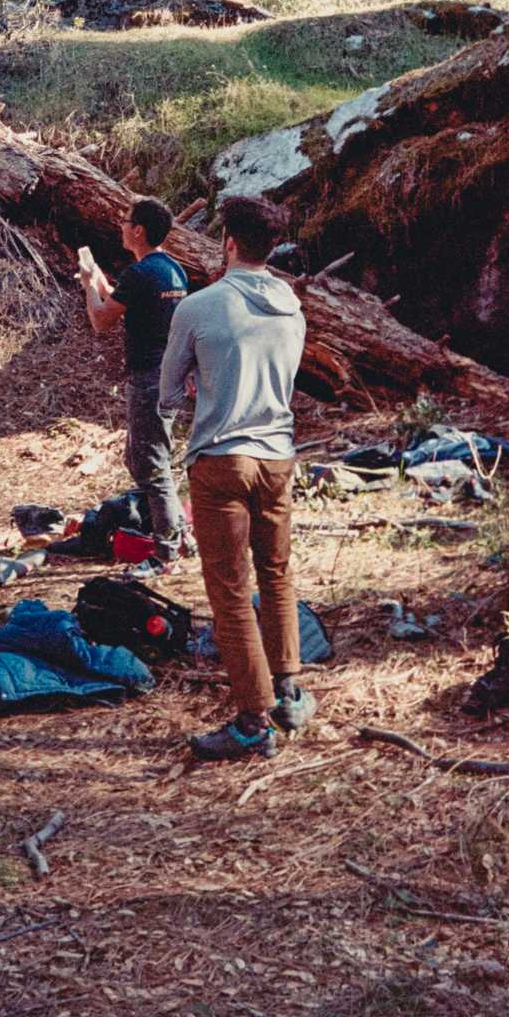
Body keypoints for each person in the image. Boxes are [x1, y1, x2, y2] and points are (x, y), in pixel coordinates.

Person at [160, 193, 313, 761]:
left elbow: (168, 393)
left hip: (221, 459)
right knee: (276, 574)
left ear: (227, 243)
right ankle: (289, 692)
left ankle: (253, 721)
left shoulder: (199, 306)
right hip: (277, 458)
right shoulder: (291, 305)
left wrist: (201, 386)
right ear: (271, 247)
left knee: (228, 591)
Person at [79, 197, 190, 569]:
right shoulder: (171, 270)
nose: (121, 227)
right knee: (141, 459)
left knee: (152, 467)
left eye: (126, 222)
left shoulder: (140, 274)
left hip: (148, 380)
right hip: (169, 375)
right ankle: (178, 532)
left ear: (139, 231)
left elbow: (101, 320)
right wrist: (98, 279)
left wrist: (87, 285)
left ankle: (166, 552)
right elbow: (122, 301)